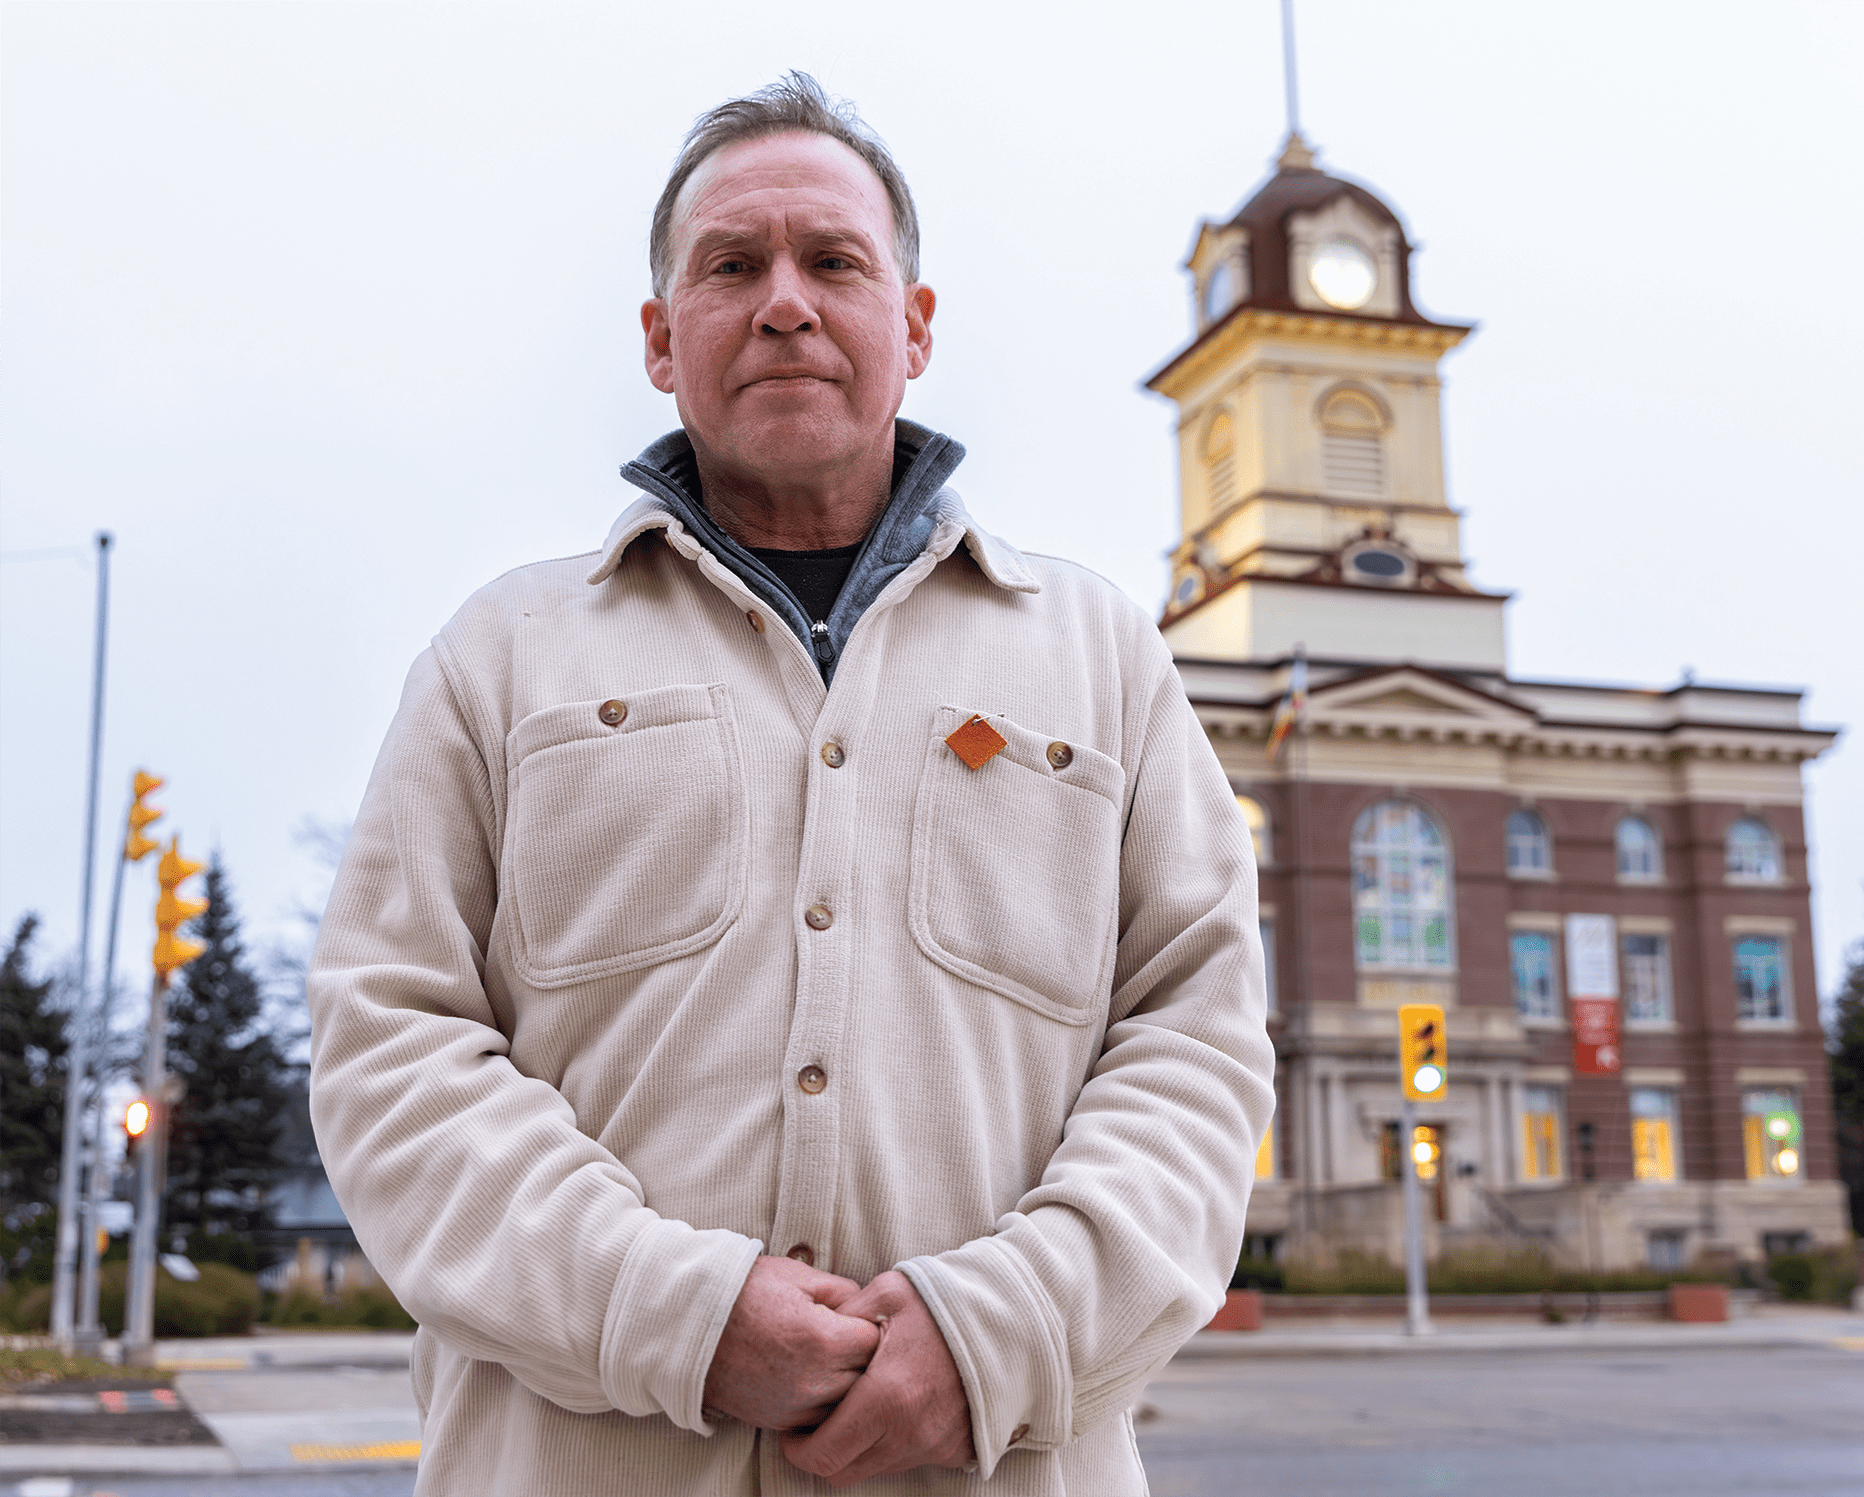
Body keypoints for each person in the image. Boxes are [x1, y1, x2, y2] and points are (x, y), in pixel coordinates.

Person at [307, 74, 1273, 1495]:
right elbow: (391, 1046)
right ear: (660, 338)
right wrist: (675, 1316)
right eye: (731, 265)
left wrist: (998, 1333)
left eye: (833, 262)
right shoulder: (500, 656)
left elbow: (1196, 1043)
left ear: (914, 324)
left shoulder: (1103, 656)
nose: (783, 303)